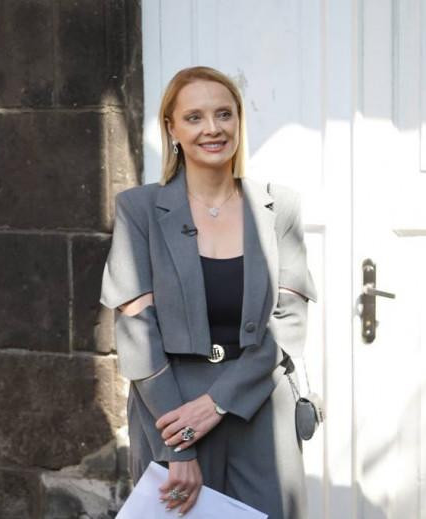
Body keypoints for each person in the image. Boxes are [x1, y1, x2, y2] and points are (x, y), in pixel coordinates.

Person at [100, 66, 316, 517]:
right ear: (171, 128)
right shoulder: (139, 209)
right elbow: (138, 333)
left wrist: (218, 402)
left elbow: (288, 324)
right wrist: (178, 445)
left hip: (260, 405)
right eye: (194, 117)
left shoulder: (280, 207)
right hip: (170, 410)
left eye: (224, 114)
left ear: (239, 120)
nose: (212, 128)